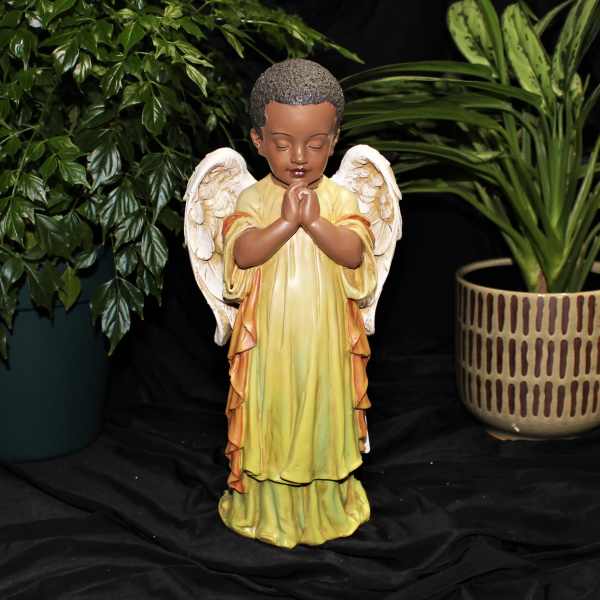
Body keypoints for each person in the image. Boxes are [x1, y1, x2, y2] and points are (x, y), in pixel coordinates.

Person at [218, 59, 378, 548]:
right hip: (269, 338)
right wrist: (286, 223)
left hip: (325, 336)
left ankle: (325, 504)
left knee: (321, 413)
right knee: (275, 415)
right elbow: (242, 254)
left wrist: (315, 222)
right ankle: (270, 508)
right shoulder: (252, 199)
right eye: (283, 143)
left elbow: (354, 254)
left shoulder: (339, 199)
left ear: (334, 141)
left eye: (315, 143)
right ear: (258, 140)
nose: (300, 157)